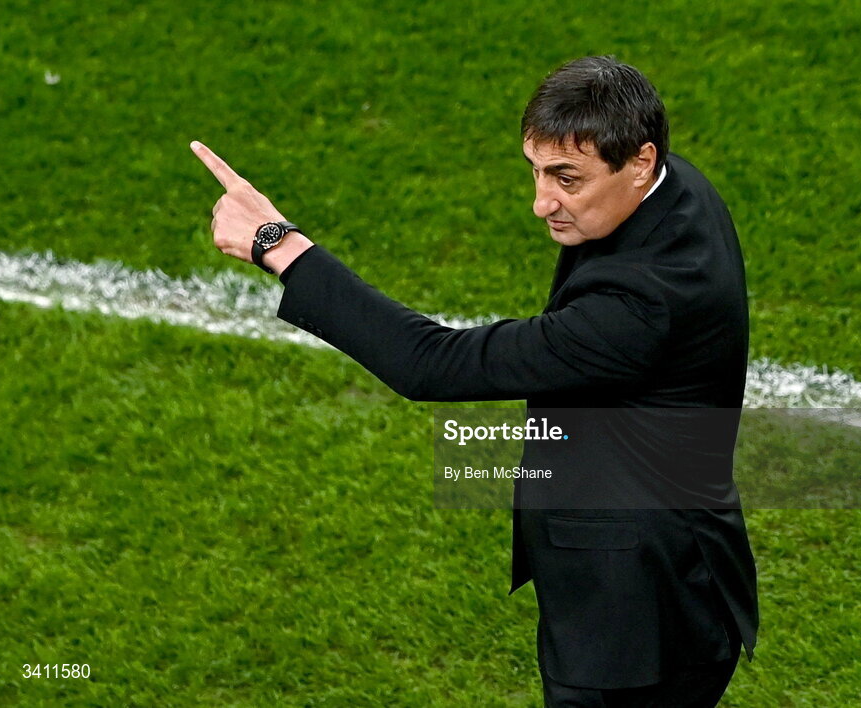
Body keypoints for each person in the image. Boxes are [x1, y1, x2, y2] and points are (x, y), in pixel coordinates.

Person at [192, 54, 758, 707]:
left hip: (630, 627)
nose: (541, 202)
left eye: (566, 179)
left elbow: (432, 362)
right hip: (674, 575)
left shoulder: (640, 309)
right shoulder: (675, 190)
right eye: (537, 170)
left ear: (639, 161)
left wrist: (279, 243)